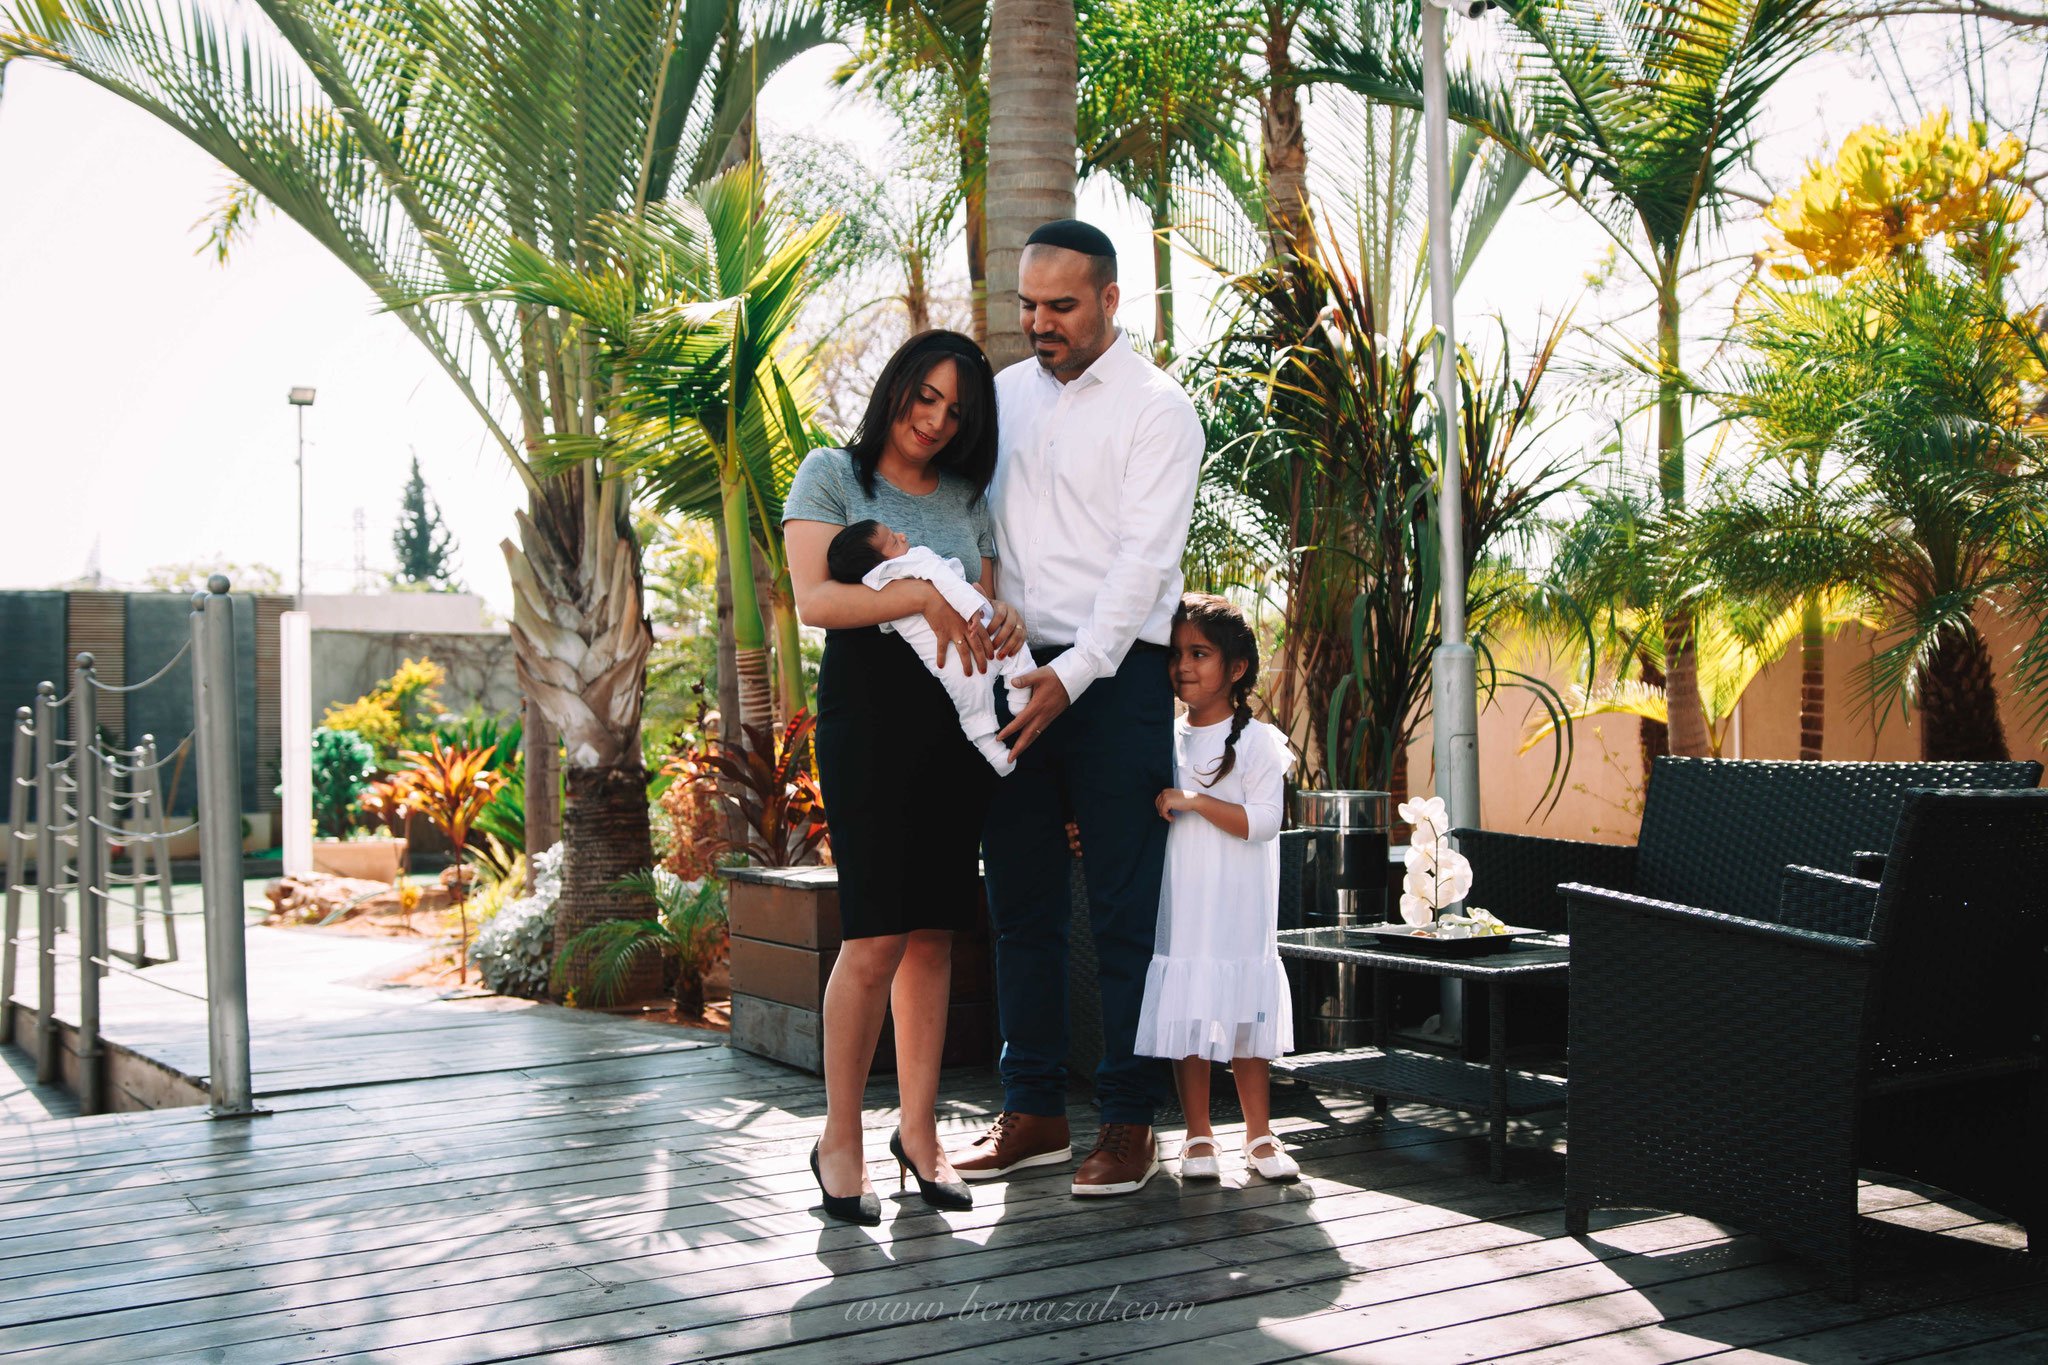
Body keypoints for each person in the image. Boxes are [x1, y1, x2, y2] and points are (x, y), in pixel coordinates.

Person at [946, 219, 1205, 1197]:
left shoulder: (1158, 409)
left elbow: (1143, 562)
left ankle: (1130, 1120)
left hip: (1118, 678)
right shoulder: (1002, 398)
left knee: (1126, 910)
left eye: (1060, 305)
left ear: (1109, 299)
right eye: (1028, 305)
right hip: (1012, 675)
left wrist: (1078, 672)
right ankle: (1036, 1110)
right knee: (1020, 904)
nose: (1039, 323)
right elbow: (974, 528)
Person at [784, 329, 1018, 1225]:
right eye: (926, 397)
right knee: (876, 933)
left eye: (955, 411)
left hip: (955, 724)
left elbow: (985, 601)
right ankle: (839, 1136)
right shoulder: (831, 474)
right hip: (871, 720)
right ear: (897, 389)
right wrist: (915, 593)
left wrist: (1003, 619)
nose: (935, 421)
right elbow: (817, 599)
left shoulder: (967, 498)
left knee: (933, 936)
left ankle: (919, 1133)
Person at [1135, 593, 1300, 1183]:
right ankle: (1198, 1134)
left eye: (1199, 653)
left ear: (1237, 668)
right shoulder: (1163, 739)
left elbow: (1264, 823)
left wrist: (1197, 801)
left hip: (1240, 908)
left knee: (1244, 1017)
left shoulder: (1258, 743)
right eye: (1176, 653)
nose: (1183, 665)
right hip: (1184, 904)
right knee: (1190, 1008)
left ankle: (1259, 1134)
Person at [824, 518, 1039, 775]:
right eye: (893, 541)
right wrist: (972, 607)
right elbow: (944, 578)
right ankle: (1017, 701)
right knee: (1001, 664)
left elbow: (887, 624)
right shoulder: (914, 561)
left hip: (952, 659)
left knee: (973, 700)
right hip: (956, 646)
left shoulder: (879, 585)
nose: (902, 535)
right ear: (880, 565)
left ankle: (993, 747)